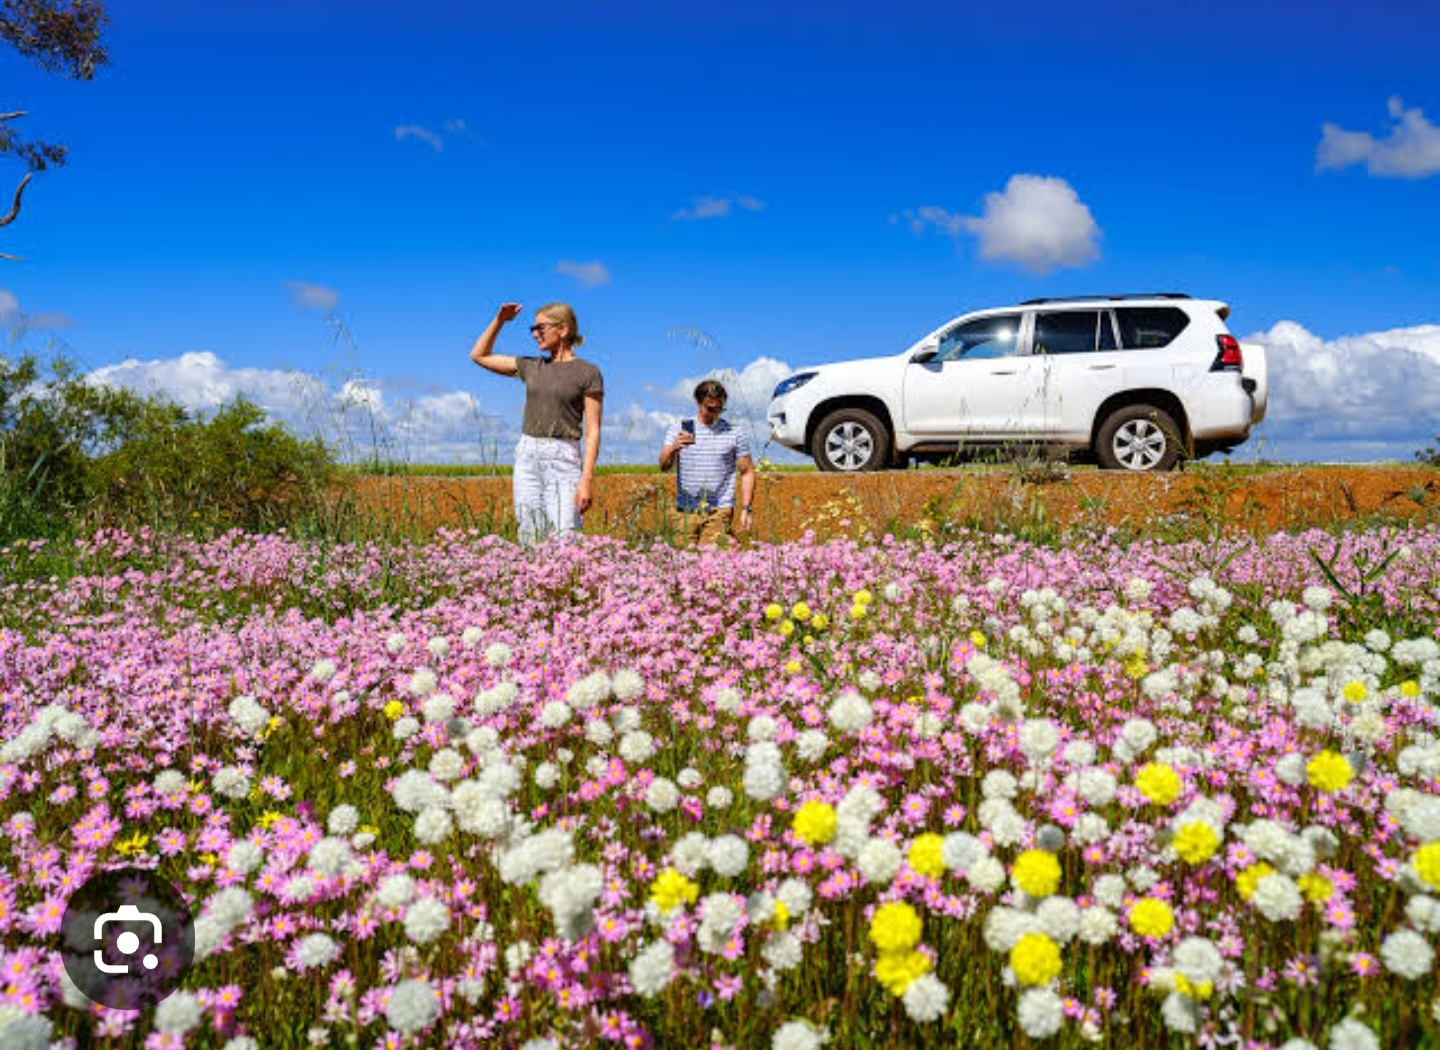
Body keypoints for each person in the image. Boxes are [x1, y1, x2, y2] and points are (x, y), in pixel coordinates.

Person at [470, 302, 603, 543]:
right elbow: (479, 355)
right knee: (529, 533)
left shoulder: (588, 373)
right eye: (533, 328)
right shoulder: (532, 366)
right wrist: (499, 321)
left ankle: (568, 580)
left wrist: (586, 480)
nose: (534, 334)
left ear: (562, 329)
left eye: (540, 328)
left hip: (564, 457)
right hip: (528, 454)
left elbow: (593, 431)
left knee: (567, 534)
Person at [658, 379, 755, 545]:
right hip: (685, 511)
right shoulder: (678, 428)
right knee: (684, 564)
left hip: (719, 510)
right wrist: (674, 448)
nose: (715, 414)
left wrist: (746, 508)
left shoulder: (735, 432)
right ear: (697, 402)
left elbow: (747, 472)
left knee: (710, 563)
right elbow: (663, 466)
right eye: (710, 408)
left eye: (720, 409)